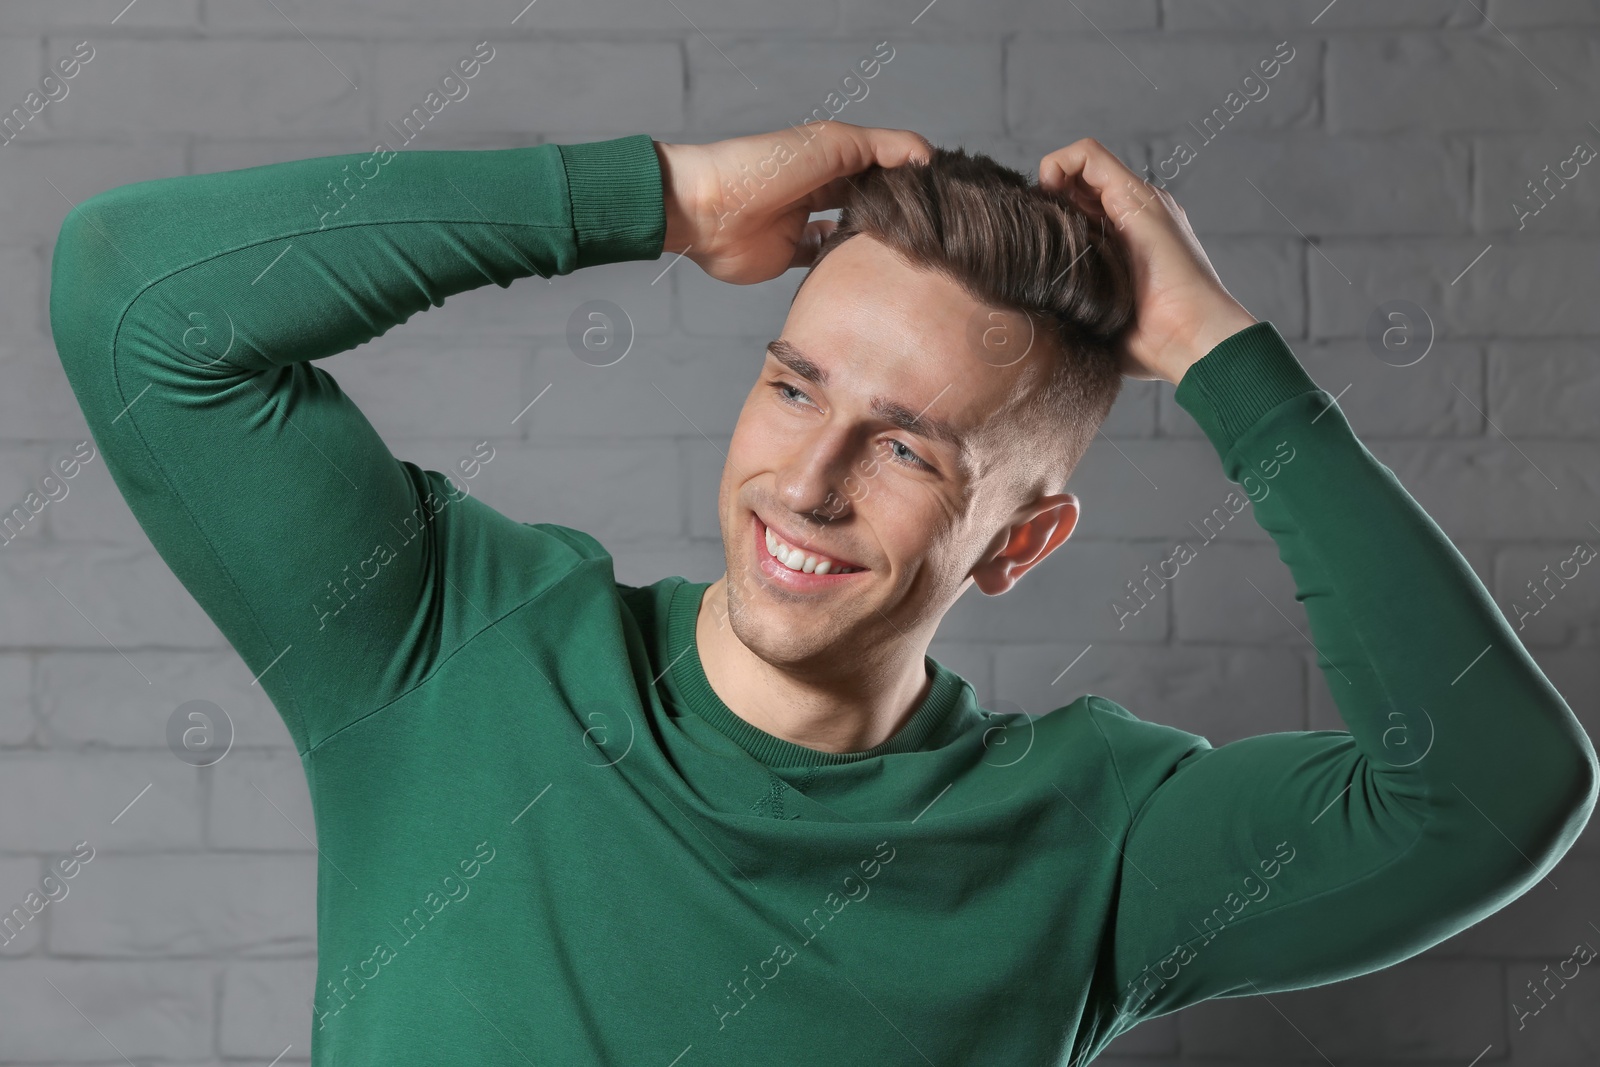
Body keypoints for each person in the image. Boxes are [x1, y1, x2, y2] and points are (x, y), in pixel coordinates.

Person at [49, 120, 1597, 1066]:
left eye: (909, 447)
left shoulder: (1094, 846)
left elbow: (1496, 790)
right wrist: (659, 195)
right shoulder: (443, 644)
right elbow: (136, 303)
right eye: (796, 389)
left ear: (1018, 541)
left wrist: (1216, 353)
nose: (808, 479)